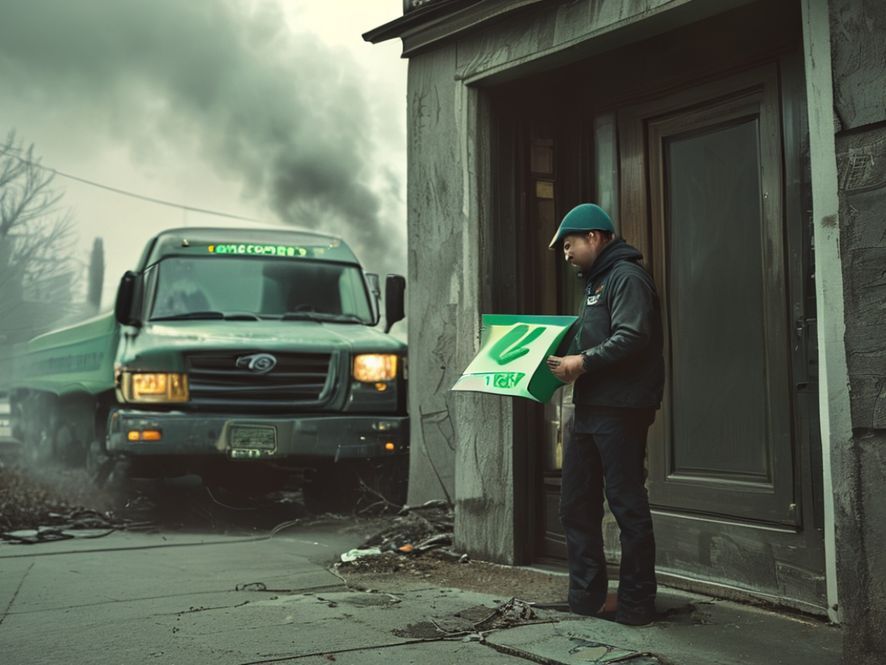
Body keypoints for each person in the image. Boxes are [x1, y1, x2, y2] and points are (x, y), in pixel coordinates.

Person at [546, 202, 665, 626]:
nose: (565, 253)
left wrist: (583, 362)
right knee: (575, 505)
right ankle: (586, 600)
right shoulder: (595, 282)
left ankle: (635, 606)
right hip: (590, 408)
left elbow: (633, 335)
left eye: (569, 244)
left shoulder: (627, 277)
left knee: (627, 507)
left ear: (594, 237)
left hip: (622, 410)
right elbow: (596, 337)